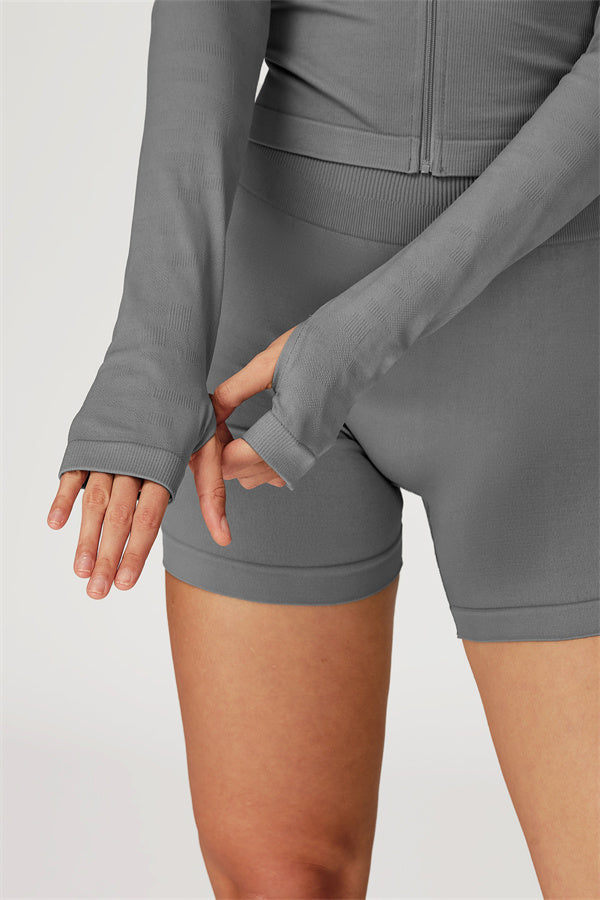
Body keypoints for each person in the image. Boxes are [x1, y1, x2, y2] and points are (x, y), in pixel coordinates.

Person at [47, 1, 599, 896]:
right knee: (278, 879)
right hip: (264, 330)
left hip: (557, 345)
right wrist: (153, 349)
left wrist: (361, 336)